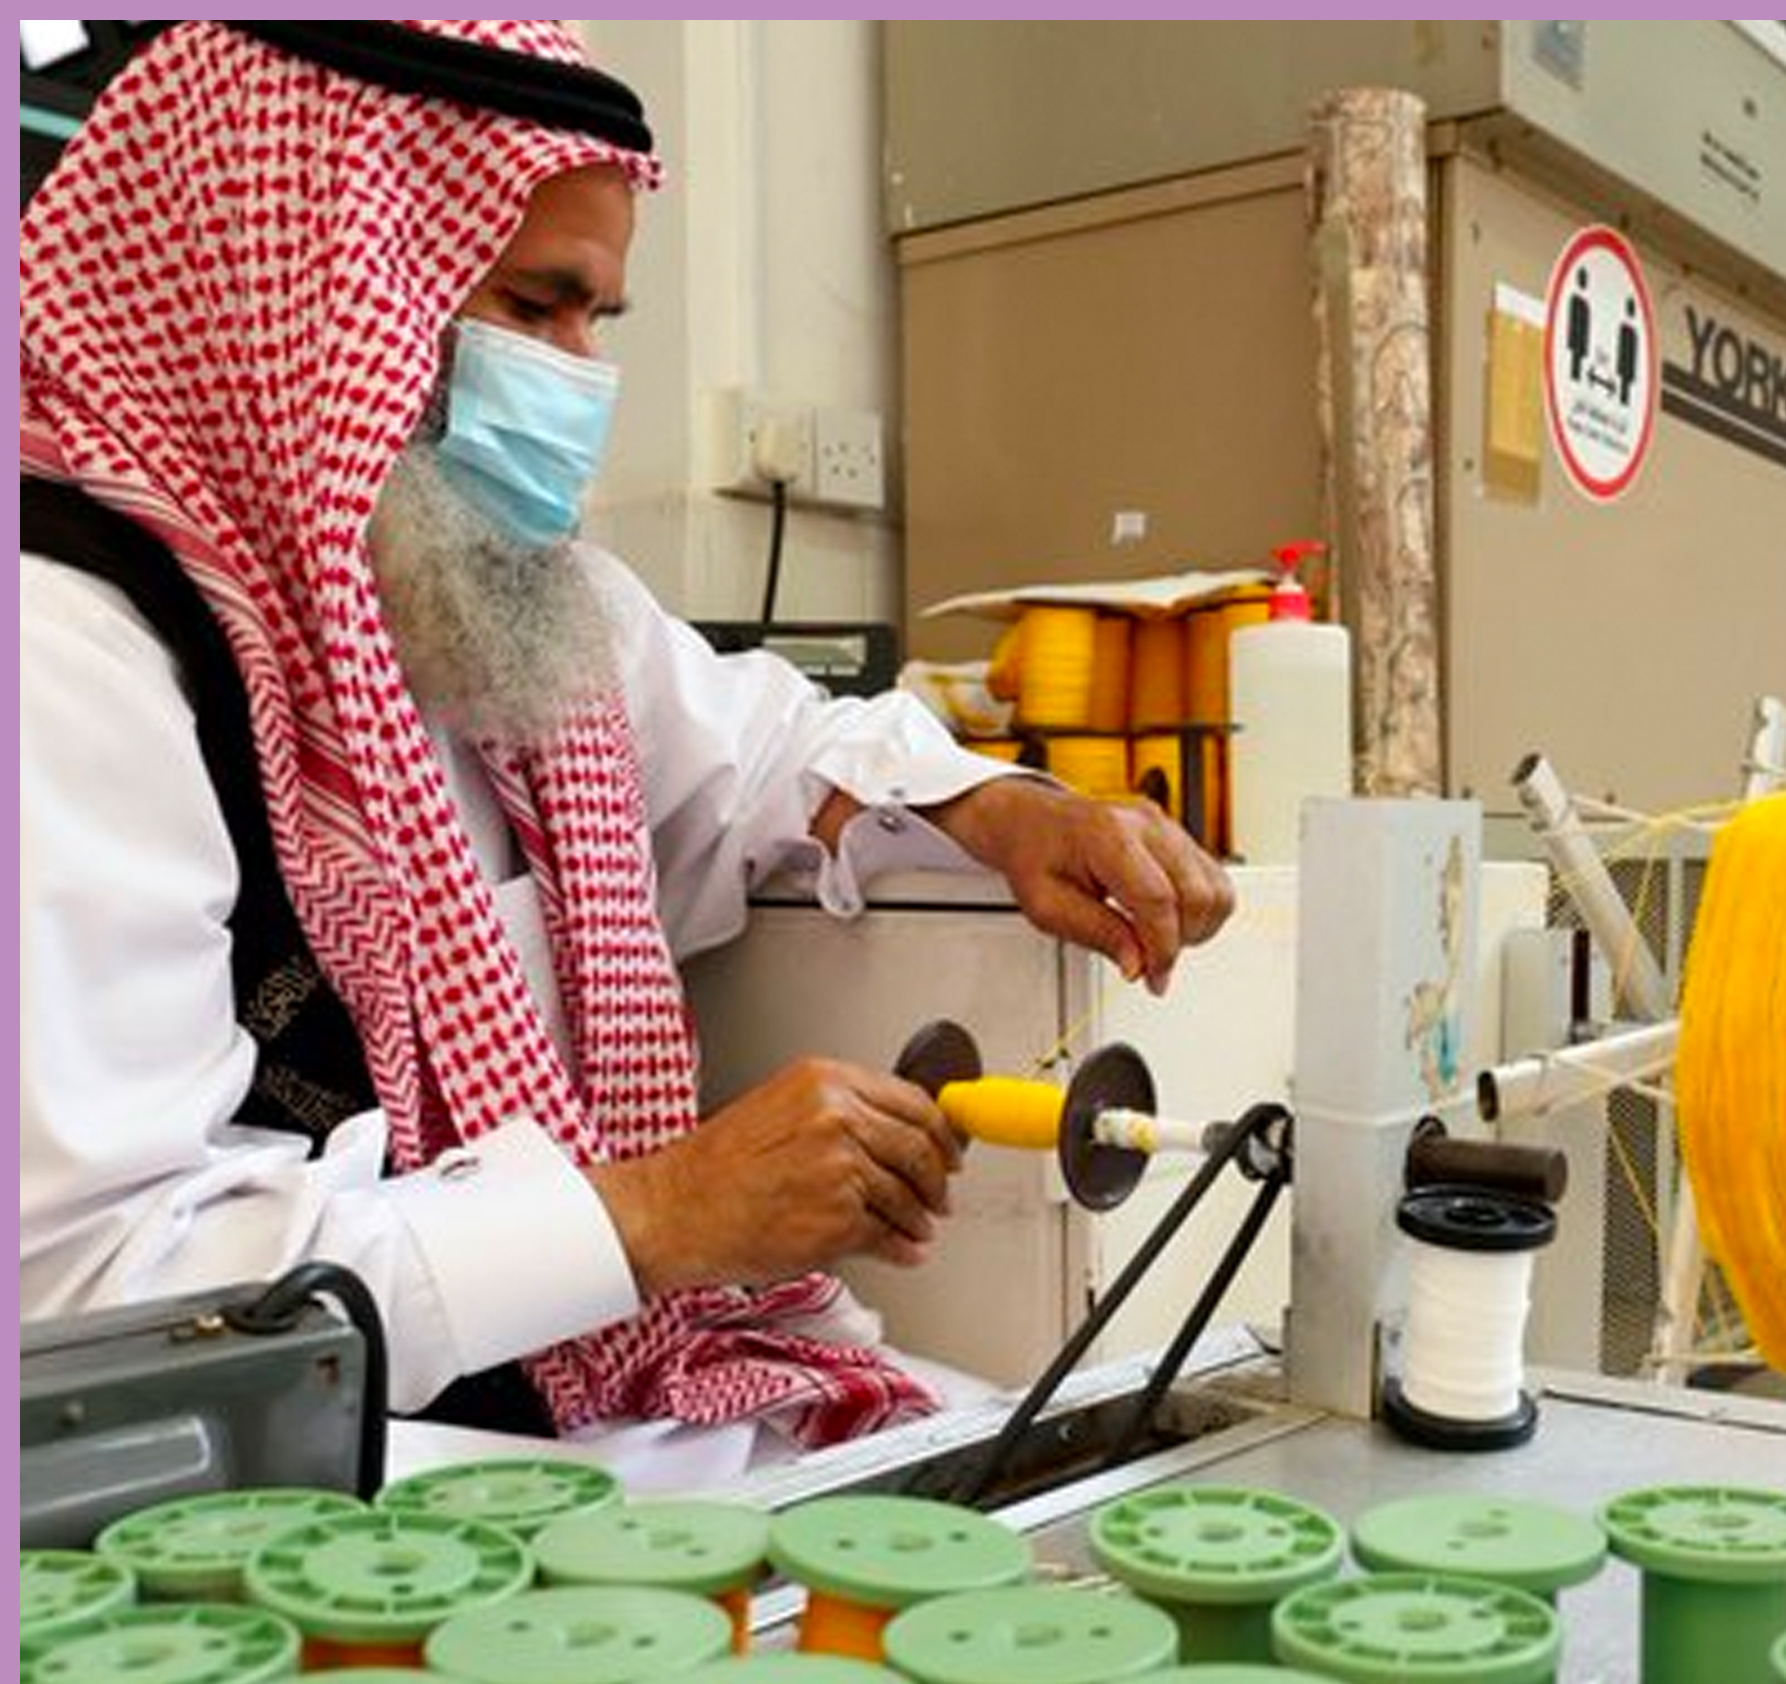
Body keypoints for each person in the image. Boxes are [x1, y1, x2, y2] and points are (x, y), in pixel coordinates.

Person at [18, 21, 1234, 1455]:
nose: (579, 378)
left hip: (593, 1387)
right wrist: (661, 1212)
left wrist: (1002, 807)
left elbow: (768, 755)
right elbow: (96, 1290)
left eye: (599, 320)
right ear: (305, 298)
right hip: (288, 1475)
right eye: (537, 307)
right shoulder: (72, 652)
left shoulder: (511, 594)